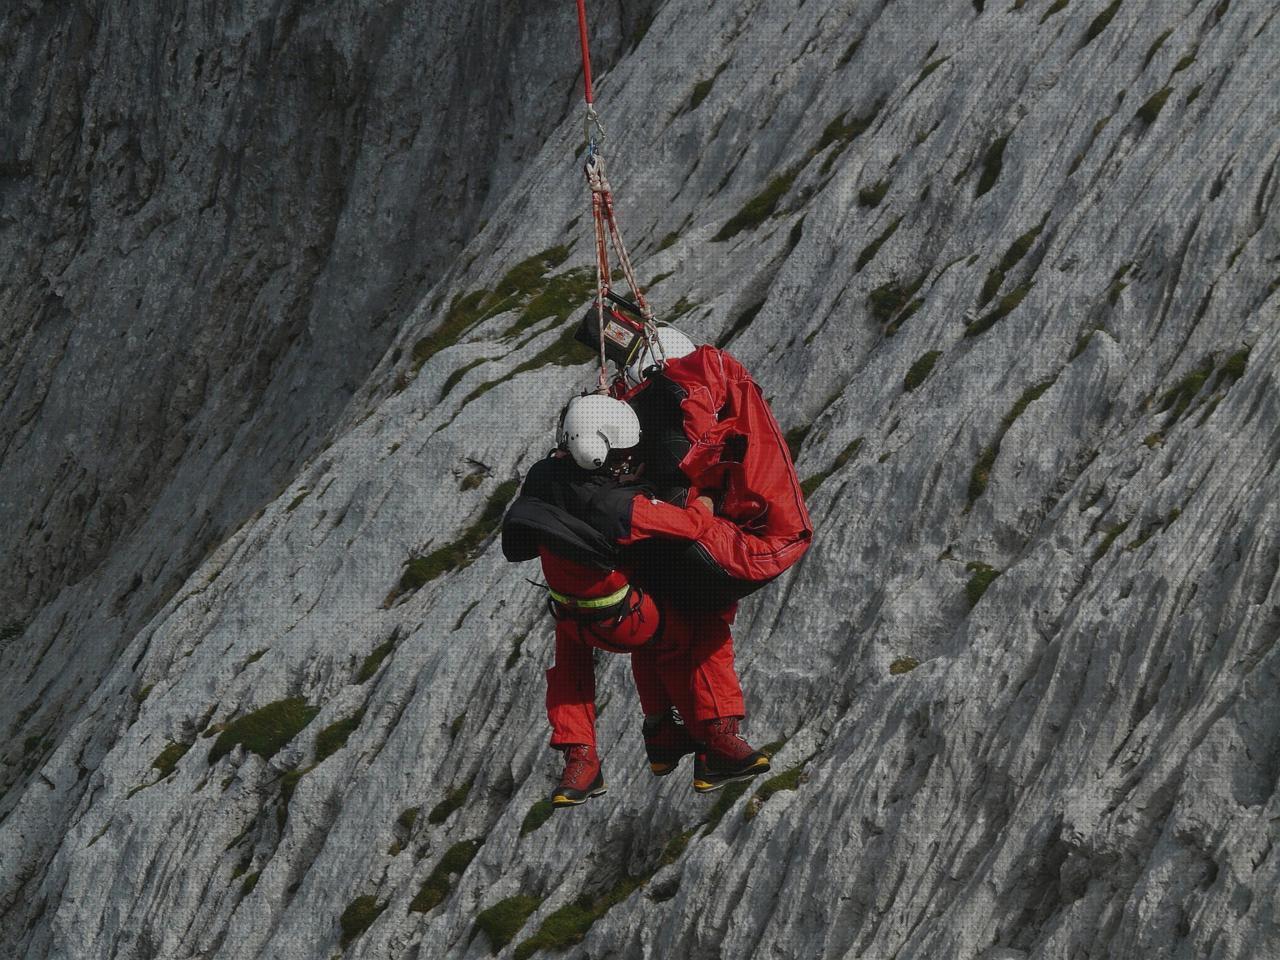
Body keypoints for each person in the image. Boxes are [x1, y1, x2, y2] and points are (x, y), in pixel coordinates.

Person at [501, 394, 772, 804]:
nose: (626, 461)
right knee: (700, 629)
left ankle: (583, 759)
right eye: (621, 455)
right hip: (625, 622)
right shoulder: (619, 508)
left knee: (572, 671)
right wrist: (706, 495)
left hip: (571, 617)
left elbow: (584, 484)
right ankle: (716, 739)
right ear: (601, 454)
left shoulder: (543, 476)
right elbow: (691, 525)